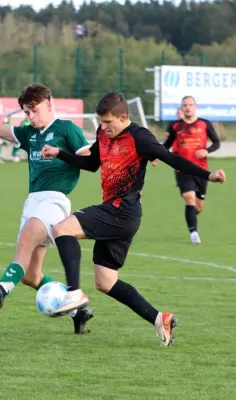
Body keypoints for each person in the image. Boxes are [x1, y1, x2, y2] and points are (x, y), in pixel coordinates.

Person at [40, 92, 226, 346]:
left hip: (121, 212)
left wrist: (209, 175)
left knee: (62, 228)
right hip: (117, 214)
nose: (103, 128)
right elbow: (92, 163)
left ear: (123, 117)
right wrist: (60, 153)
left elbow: (171, 158)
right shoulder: (104, 135)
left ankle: (73, 293)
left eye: (108, 123)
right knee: (105, 282)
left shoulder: (140, 137)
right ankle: (160, 318)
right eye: (101, 123)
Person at [0, 76, 94, 334]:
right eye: (27, 112)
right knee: (31, 275)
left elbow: (88, 157)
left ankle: (2, 289)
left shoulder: (66, 129)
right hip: (32, 202)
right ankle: (78, 310)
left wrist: (73, 153)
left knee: (26, 239)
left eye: (35, 110)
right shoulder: (28, 133)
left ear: (49, 105)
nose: (31, 116)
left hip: (55, 201)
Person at [157, 96, 220, 244]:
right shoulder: (176, 126)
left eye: (190, 105)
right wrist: (154, 155)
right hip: (182, 168)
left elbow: (217, 142)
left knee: (198, 206)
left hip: (202, 170)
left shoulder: (205, 124)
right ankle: (194, 233)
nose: (188, 107)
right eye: (185, 105)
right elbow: (166, 144)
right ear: (182, 107)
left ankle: (193, 215)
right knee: (189, 198)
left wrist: (207, 150)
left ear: (195, 107)